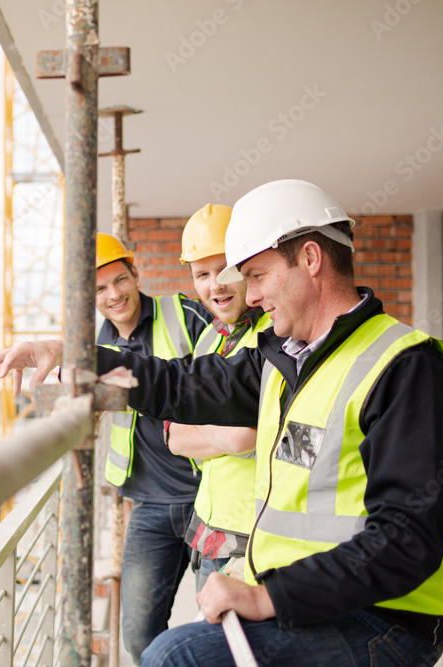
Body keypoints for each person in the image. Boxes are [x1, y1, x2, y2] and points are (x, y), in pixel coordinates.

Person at [0, 179, 443, 666]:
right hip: (306, 600)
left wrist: (268, 598)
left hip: (382, 621)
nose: (251, 295)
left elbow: (407, 541)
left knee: (174, 656)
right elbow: (180, 384)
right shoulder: (284, 362)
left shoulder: (409, 368)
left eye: (257, 275)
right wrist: (74, 353)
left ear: (309, 259)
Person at [93, 232, 211, 663]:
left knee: (221, 628)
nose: (114, 295)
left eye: (120, 280)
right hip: (149, 505)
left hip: (210, 497)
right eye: (100, 289)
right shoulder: (97, 349)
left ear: (136, 275)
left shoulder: (185, 315)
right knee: (139, 636)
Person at [165, 204, 271, 593]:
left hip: (251, 541)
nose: (215, 286)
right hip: (207, 531)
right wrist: (223, 435)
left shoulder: (275, 334)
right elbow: (174, 437)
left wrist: (205, 428)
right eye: (202, 275)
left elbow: (246, 437)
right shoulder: (210, 336)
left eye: (225, 270)